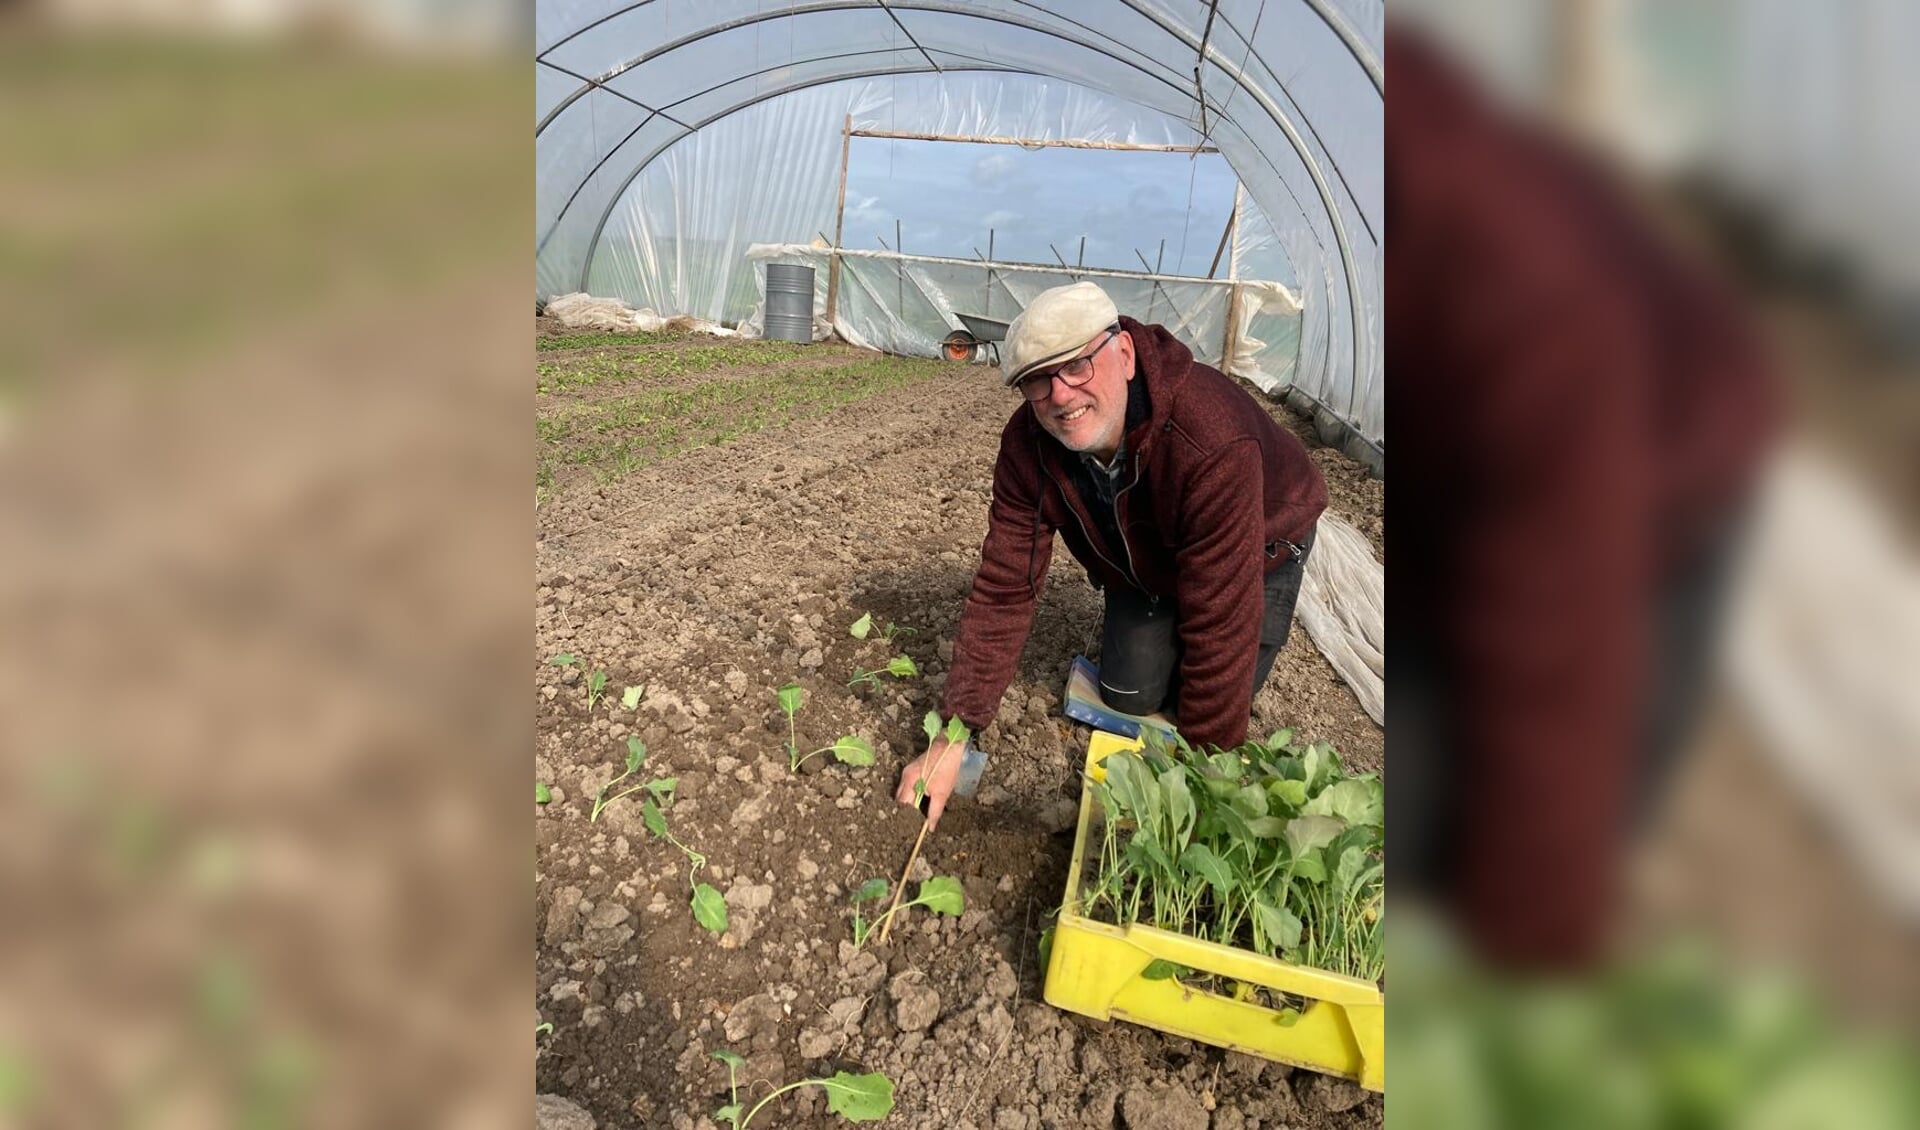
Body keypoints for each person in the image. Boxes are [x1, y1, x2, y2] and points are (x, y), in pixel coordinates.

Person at [895, 281, 1328, 828]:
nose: (1060, 395)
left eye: (1076, 366)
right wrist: (953, 733)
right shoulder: (1027, 448)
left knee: (1211, 697)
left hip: (1260, 545)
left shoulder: (1211, 439)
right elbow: (1006, 586)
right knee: (1129, 695)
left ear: (1123, 354)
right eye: (1035, 381)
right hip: (1147, 557)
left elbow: (1222, 617)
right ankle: (1162, 614)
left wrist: (1199, 781)